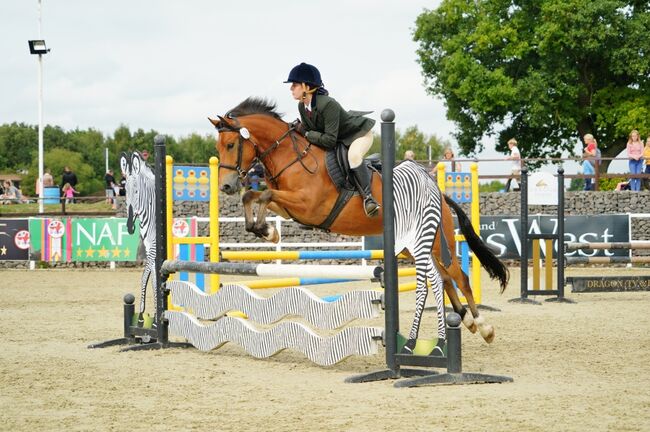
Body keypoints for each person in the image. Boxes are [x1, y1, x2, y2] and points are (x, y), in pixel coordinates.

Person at [285, 62, 379, 217]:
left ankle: (369, 199)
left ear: (306, 87)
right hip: (339, 138)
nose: (291, 88)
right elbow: (311, 132)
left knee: (353, 157)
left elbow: (328, 140)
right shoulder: (302, 106)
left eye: (294, 84)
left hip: (358, 134)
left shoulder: (328, 104)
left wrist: (307, 134)